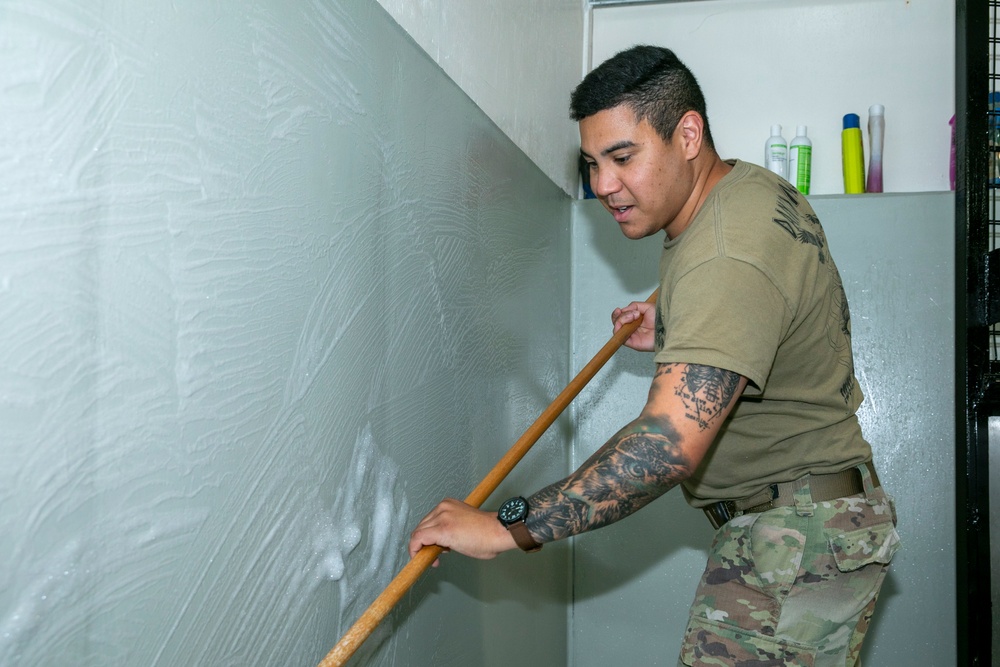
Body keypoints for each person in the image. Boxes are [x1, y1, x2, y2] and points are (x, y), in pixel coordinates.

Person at [408, 45, 900, 667]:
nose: (603, 185)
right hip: (813, 524)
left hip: (796, 536)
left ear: (687, 134)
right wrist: (674, 317)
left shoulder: (723, 251)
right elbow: (756, 293)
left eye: (623, 156)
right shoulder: (746, 192)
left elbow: (667, 447)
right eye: (591, 163)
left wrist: (508, 525)